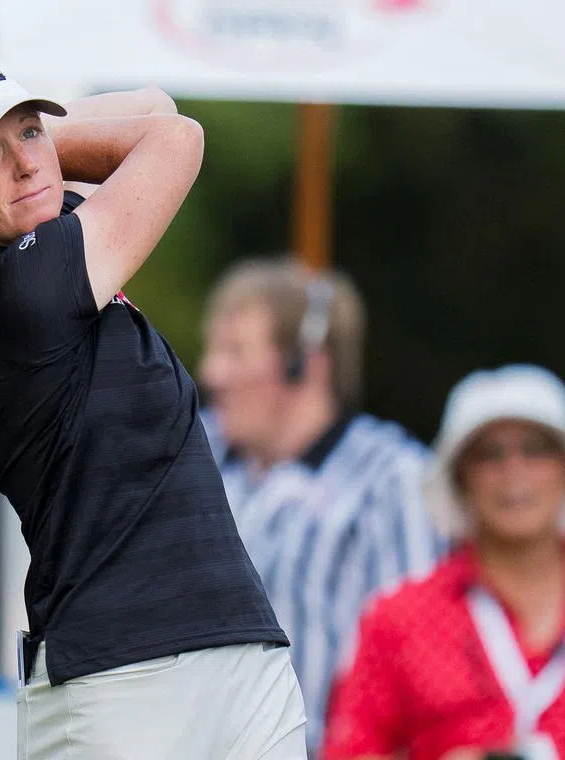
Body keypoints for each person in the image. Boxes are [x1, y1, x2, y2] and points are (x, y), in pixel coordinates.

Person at [0, 55, 306, 759]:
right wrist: (35, 155)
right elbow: (175, 138)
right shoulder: (18, 295)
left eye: (29, 130)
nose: (24, 163)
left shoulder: (38, 234)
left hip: (240, 656)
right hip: (116, 684)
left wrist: (9, 156)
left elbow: (155, 105)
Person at [324, 364, 565, 760]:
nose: (514, 471)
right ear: (460, 479)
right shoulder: (397, 620)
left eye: (535, 449)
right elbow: (348, 752)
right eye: (489, 454)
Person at [198, 257, 444, 757]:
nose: (211, 372)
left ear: (304, 364)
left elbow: (417, 661)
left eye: (235, 351)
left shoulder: (391, 479)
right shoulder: (196, 456)